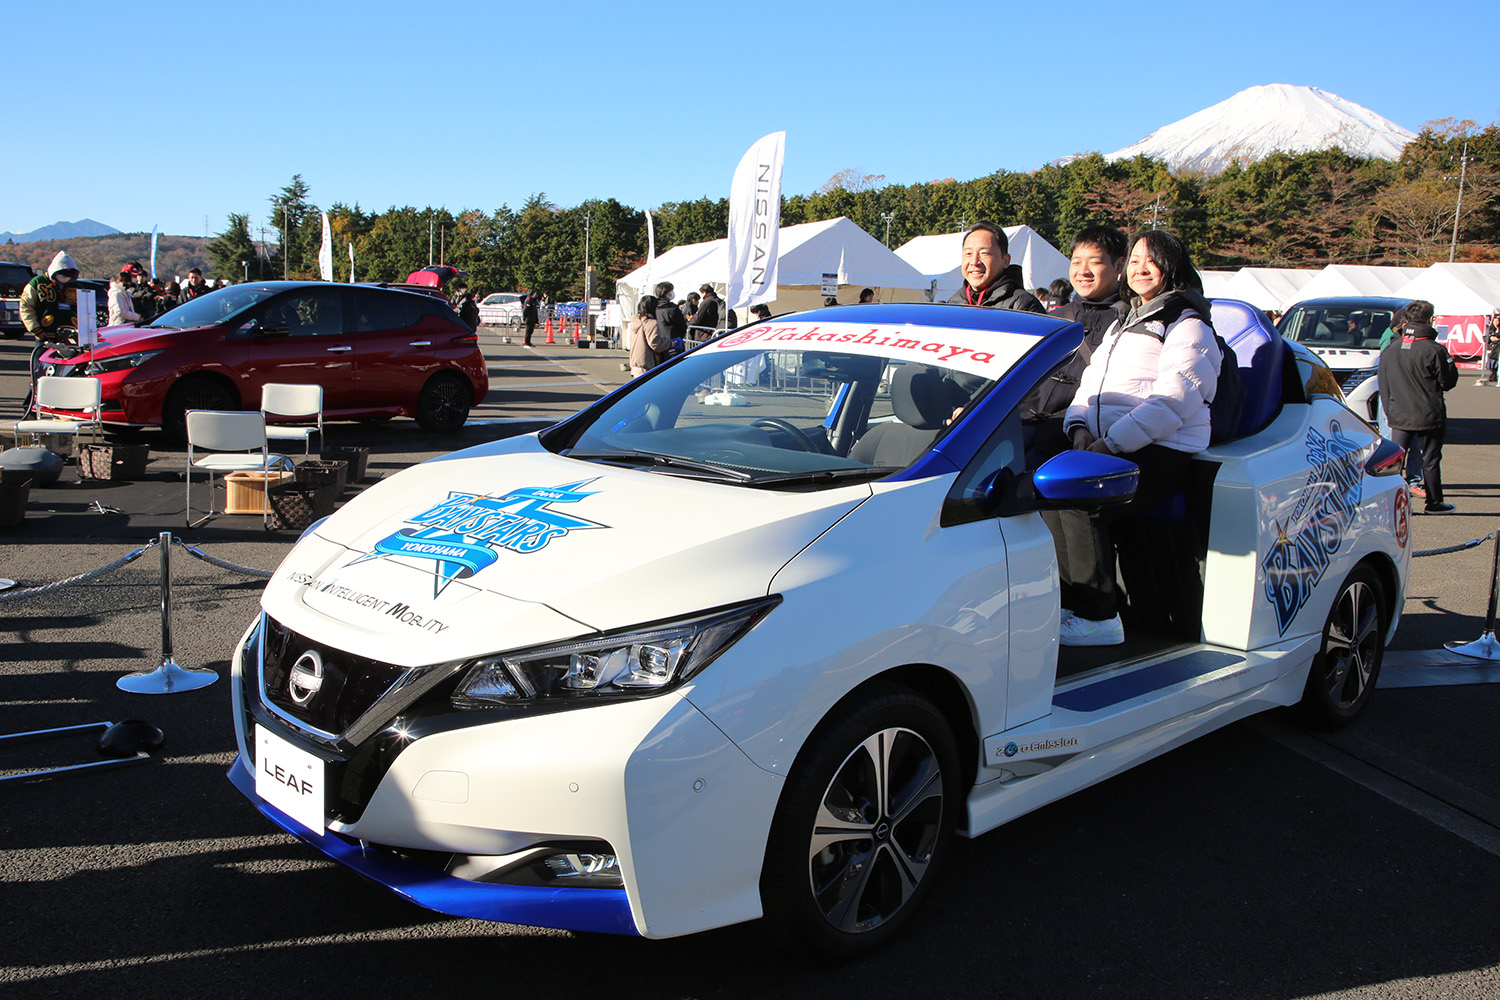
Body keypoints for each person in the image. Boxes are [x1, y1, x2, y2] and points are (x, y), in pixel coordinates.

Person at [1054, 230, 1222, 646]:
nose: (1140, 268)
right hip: (1112, 445)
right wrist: (1077, 427)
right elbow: (1089, 385)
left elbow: (1173, 402)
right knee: (1048, 496)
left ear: (1173, 266)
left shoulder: (1188, 324)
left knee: (1081, 501)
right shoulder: (1126, 321)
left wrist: (1109, 443)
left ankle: (1097, 617)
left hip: (1162, 450)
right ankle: (1074, 605)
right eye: (1134, 260)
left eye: (1152, 259)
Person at [1023, 225, 1131, 455]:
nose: (1083, 271)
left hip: (1077, 440)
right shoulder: (1054, 318)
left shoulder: (1128, 323)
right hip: (1023, 430)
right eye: (1076, 261)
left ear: (1119, 264)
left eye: (1095, 262)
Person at [1379, 299, 1458, 514]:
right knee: (1430, 460)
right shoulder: (1434, 349)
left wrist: (1389, 410)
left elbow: (1383, 384)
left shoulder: (1391, 348)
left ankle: (1388, 503)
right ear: (1431, 320)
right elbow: (1448, 382)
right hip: (1428, 414)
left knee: (1393, 461)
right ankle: (1434, 502)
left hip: (1399, 413)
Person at [19, 251, 80, 412]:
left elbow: (84, 309)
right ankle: (30, 406)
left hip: (70, 338)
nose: (65, 278)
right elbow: (26, 307)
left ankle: (61, 407)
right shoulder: (37, 283)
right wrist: (36, 329)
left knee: (67, 374)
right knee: (40, 373)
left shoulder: (75, 286)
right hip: (45, 336)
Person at [946, 222, 1045, 313]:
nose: (974, 262)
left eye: (984, 253)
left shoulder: (1023, 305)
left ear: (1005, 260)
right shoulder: (952, 305)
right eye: (968, 253)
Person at [628, 295, 670, 377]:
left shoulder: (635, 321)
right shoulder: (650, 323)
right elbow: (655, 344)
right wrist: (668, 342)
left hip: (635, 363)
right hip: (646, 363)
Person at [654, 282, 686, 352]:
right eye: (670, 291)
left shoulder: (654, 307)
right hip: (674, 341)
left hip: (660, 342)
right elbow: (682, 325)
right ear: (665, 293)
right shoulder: (672, 308)